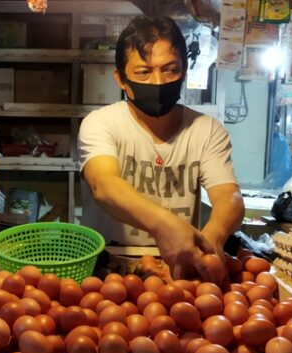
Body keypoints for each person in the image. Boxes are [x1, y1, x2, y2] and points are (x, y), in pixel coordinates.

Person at [78, 15, 245, 282]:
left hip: (179, 264)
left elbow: (230, 196)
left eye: (170, 69)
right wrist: (164, 225)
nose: (158, 82)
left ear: (184, 71)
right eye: (143, 72)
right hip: (107, 265)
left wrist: (213, 236)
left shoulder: (206, 130)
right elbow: (104, 185)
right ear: (120, 79)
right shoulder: (101, 123)